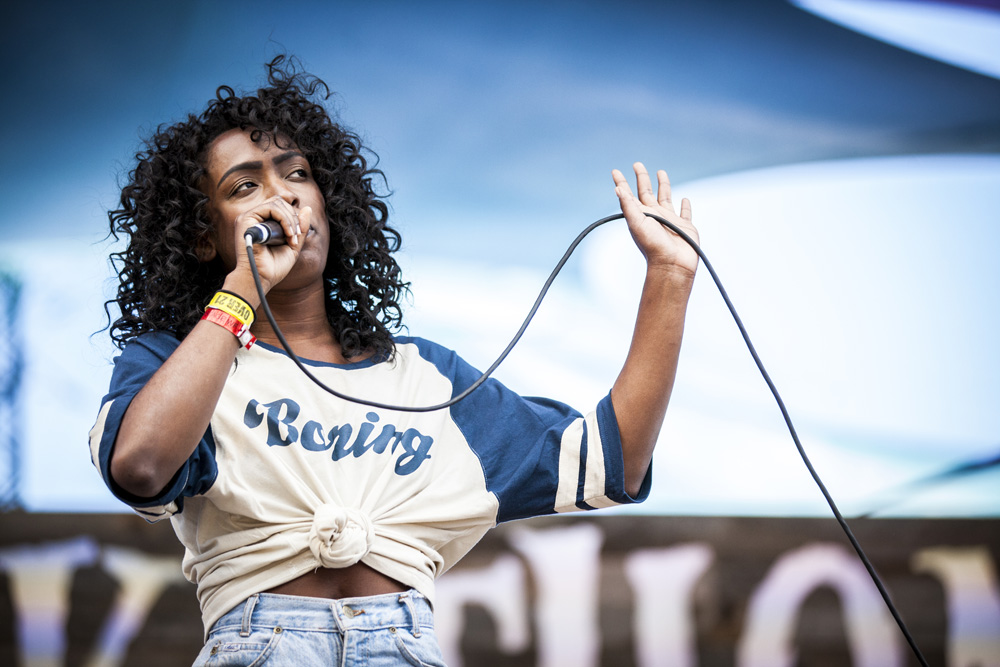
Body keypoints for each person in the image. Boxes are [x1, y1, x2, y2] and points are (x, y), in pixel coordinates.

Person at [89, 55, 699, 666]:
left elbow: (610, 461)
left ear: (330, 204)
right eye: (244, 187)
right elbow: (141, 466)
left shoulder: (423, 376)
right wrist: (240, 295)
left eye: (297, 173)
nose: (281, 198)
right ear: (202, 236)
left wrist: (669, 278)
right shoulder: (183, 362)